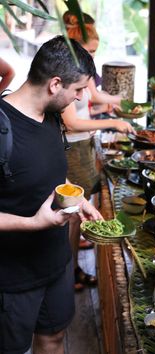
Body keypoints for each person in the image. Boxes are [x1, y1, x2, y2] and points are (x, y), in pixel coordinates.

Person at [0, 35, 103, 354]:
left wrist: (79, 197)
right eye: (78, 90)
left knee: (54, 338)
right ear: (55, 84)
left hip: (56, 263)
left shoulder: (52, 115)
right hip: (11, 278)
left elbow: (52, 172)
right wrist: (35, 222)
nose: (81, 97)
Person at [62, 12, 136, 291]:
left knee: (75, 216)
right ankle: (69, 273)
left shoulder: (79, 67)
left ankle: (73, 266)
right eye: (91, 50)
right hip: (73, 146)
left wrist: (116, 103)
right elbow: (71, 121)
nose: (93, 56)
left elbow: (92, 99)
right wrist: (113, 120)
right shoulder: (69, 71)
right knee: (70, 216)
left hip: (83, 142)